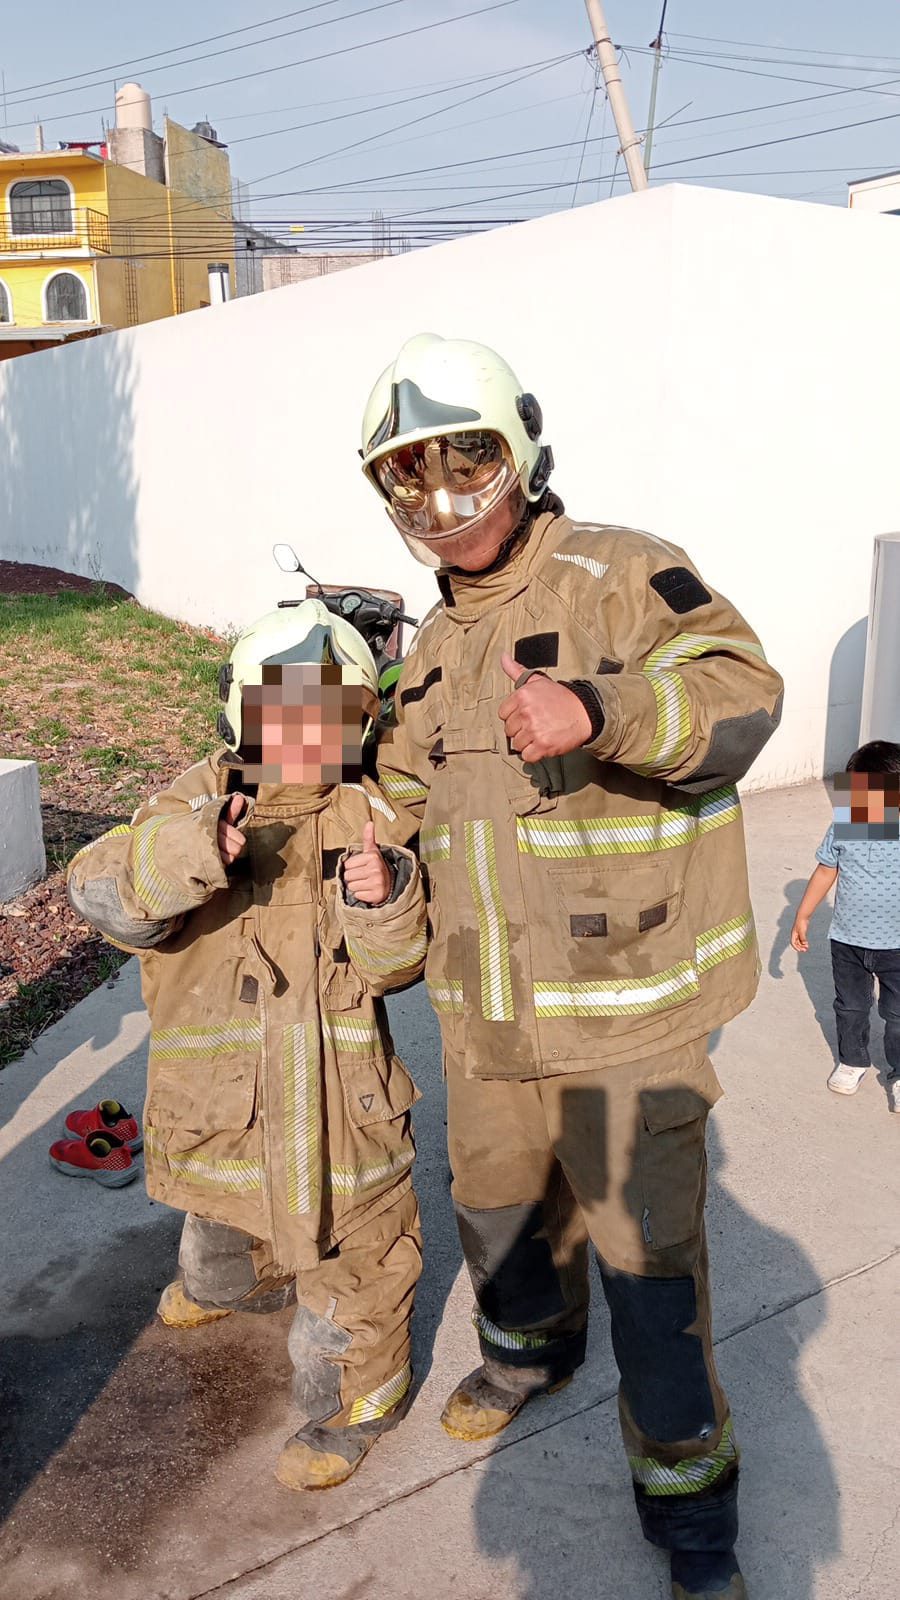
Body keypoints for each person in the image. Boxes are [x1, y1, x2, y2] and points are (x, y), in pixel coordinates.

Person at [360, 334, 785, 1600]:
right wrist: (376, 847)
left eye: (466, 462)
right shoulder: (431, 646)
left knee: (652, 1275)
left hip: (622, 1026)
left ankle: (691, 1508)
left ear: (521, 446)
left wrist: (605, 712)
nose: (443, 504)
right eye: (410, 480)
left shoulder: (617, 571)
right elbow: (402, 785)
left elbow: (740, 689)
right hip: (486, 1018)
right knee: (499, 1217)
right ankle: (526, 1354)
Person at [66, 600, 427, 1491]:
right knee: (218, 1234)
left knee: (356, 1258)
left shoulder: (370, 812)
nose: (304, 733)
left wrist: (386, 896)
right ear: (239, 710)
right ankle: (240, 1280)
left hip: (343, 1110)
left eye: (329, 712)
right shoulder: (194, 795)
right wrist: (192, 850)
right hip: (219, 1102)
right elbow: (99, 892)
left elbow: (399, 966)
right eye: (281, 709)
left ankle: (359, 1398)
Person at [791, 739, 900, 1112]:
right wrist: (803, 914)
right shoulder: (846, 823)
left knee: (897, 1014)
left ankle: (899, 1072)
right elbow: (826, 870)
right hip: (848, 940)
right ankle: (853, 1060)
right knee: (850, 1008)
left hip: (897, 944)